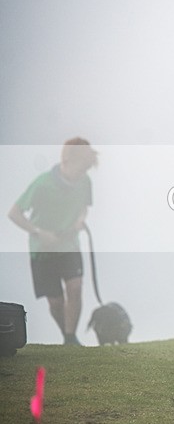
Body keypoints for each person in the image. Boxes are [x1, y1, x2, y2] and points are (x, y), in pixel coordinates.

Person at [8, 138, 98, 346]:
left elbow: (85, 206)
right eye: (81, 167)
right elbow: (14, 213)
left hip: (69, 246)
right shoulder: (42, 184)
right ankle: (66, 334)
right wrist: (38, 232)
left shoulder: (85, 182)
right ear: (66, 161)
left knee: (75, 289)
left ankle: (70, 338)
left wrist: (80, 220)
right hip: (42, 250)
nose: (83, 172)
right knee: (56, 302)